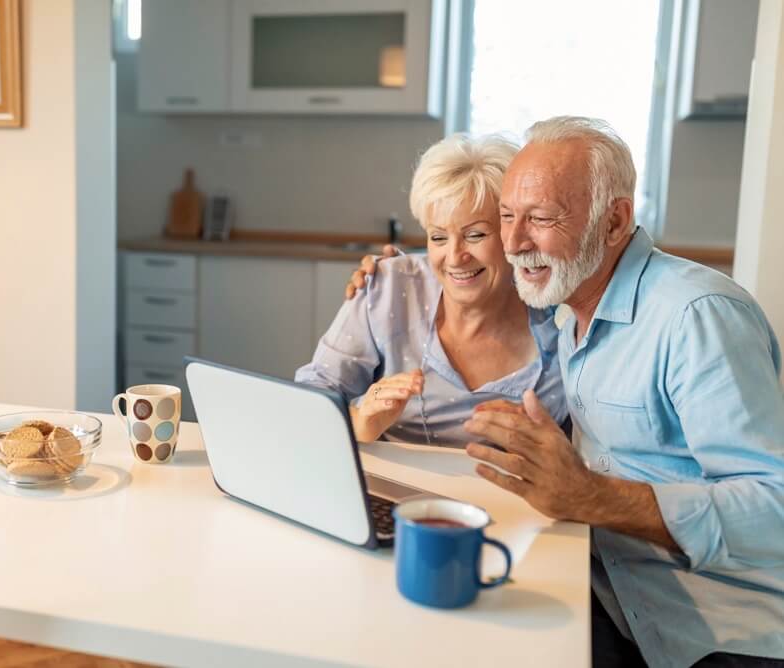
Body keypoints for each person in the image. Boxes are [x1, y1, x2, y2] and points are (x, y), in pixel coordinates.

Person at [351, 116, 784, 667]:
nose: (511, 242)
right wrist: (394, 272)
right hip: (606, 599)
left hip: (712, 637)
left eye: (540, 218)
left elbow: (775, 506)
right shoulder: (566, 312)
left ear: (615, 221)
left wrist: (593, 497)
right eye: (506, 218)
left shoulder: (695, 315)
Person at [295, 134, 566, 446]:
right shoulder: (391, 287)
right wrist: (359, 422)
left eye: (475, 235)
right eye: (438, 238)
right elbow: (311, 397)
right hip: (391, 490)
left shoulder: (560, 323)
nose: (454, 258)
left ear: (513, 233)